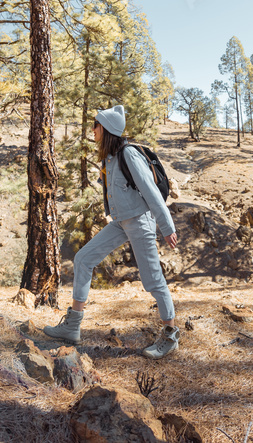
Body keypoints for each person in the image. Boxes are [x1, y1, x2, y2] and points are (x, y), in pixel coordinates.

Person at [44, 105, 180, 359]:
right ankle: (72, 325)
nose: (92, 130)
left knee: (152, 280)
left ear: (106, 129)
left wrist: (167, 226)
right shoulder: (111, 157)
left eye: (95, 125)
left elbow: (151, 192)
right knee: (83, 258)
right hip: (121, 222)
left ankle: (170, 335)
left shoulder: (128, 154)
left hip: (139, 222)